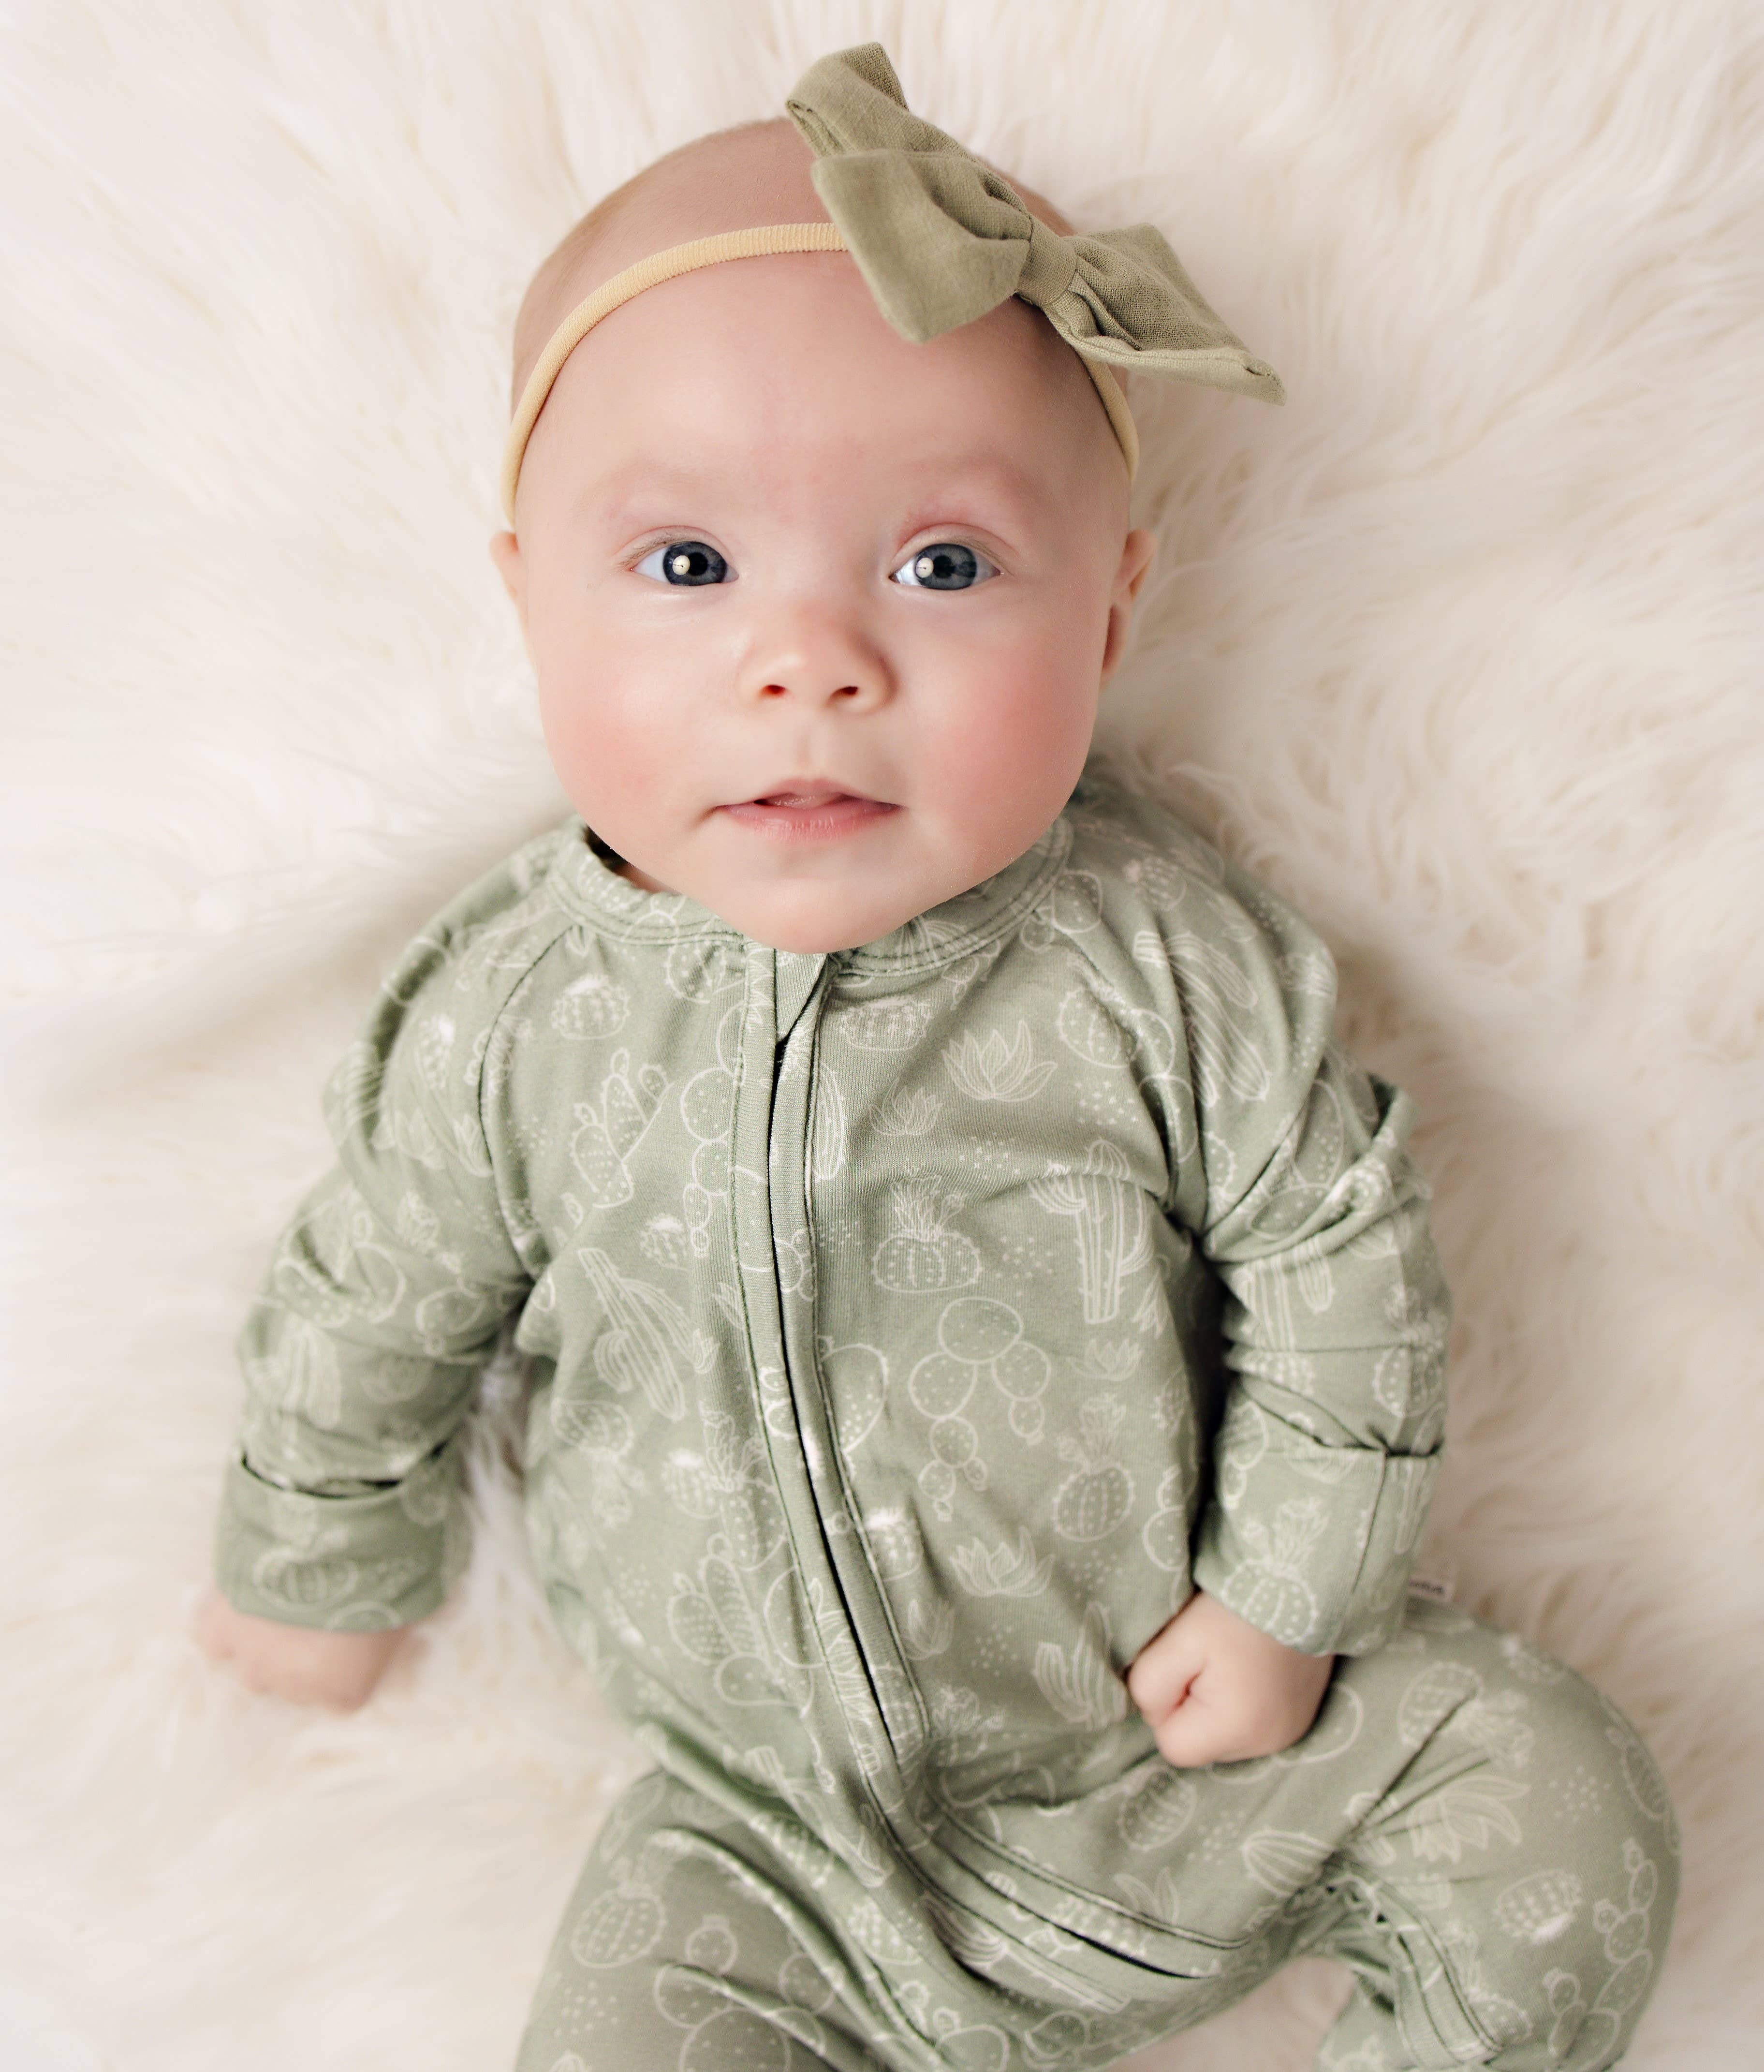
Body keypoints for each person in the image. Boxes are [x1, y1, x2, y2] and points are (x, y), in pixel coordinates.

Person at [197, 44, 1676, 2072]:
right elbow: (376, 1294)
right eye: (689, 566)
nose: (810, 661)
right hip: (765, 1852)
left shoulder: (1158, 959)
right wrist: (315, 1566)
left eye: (945, 565)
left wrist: (1287, 1599)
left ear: (1111, 612)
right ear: (530, 600)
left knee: (1558, 1799)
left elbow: (1340, 1257)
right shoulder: (516, 1014)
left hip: (1182, 1752)